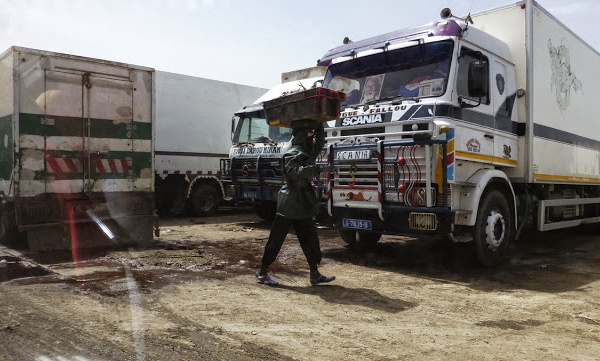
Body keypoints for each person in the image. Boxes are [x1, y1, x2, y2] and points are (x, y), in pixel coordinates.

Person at [255, 120, 336, 286]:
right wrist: (319, 169)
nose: (312, 136)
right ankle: (262, 272)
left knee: (310, 238)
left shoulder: (307, 150)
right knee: (277, 239)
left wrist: (319, 122)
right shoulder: (293, 152)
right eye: (309, 133)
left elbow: (319, 142)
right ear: (301, 135)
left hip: (302, 201)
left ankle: (315, 273)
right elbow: (294, 173)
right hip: (290, 202)